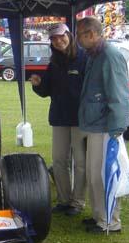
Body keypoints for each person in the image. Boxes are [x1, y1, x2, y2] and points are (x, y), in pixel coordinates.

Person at [76, 17, 129, 234]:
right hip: (95, 125)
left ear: (91, 34)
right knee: (94, 175)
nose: (77, 39)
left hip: (107, 127)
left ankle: (110, 221)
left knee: (105, 175)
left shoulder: (110, 55)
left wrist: (116, 130)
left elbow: (119, 95)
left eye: (79, 35)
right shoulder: (95, 55)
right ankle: (99, 216)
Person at [30, 23, 88, 217]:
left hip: (81, 119)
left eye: (61, 36)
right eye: (53, 38)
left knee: (80, 162)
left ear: (69, 35)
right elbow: (46, 90)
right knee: (59, 160)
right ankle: (64, 200)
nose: (58, 41)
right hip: (60, 118)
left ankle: (77, 202)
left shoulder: (84, 58)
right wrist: (37, 84)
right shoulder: (54, 62)